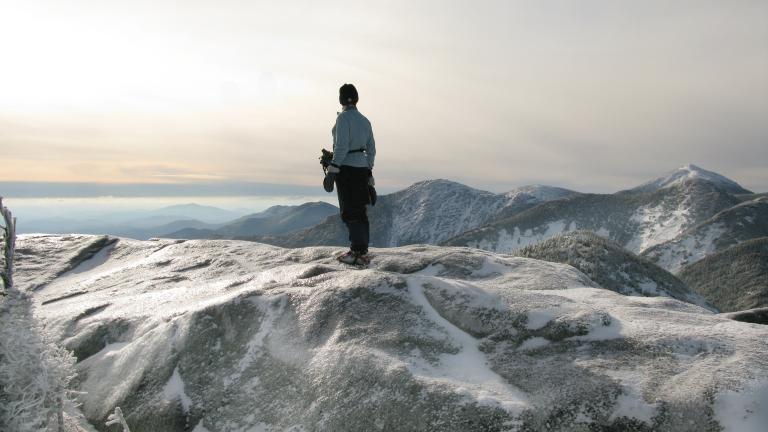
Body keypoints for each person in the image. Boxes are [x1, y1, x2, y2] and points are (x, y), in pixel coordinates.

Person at [325, 83, 376, 265]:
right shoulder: (365, 121)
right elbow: (371, 149)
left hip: (346, 169)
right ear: (356, 98)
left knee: (349, 210)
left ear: (341, 99)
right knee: (360, 210)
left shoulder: (343, 119)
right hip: (362, 169)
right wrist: (368, 171)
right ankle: (362, 250)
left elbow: (341, 147)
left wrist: (332, 169)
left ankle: (356, 252)